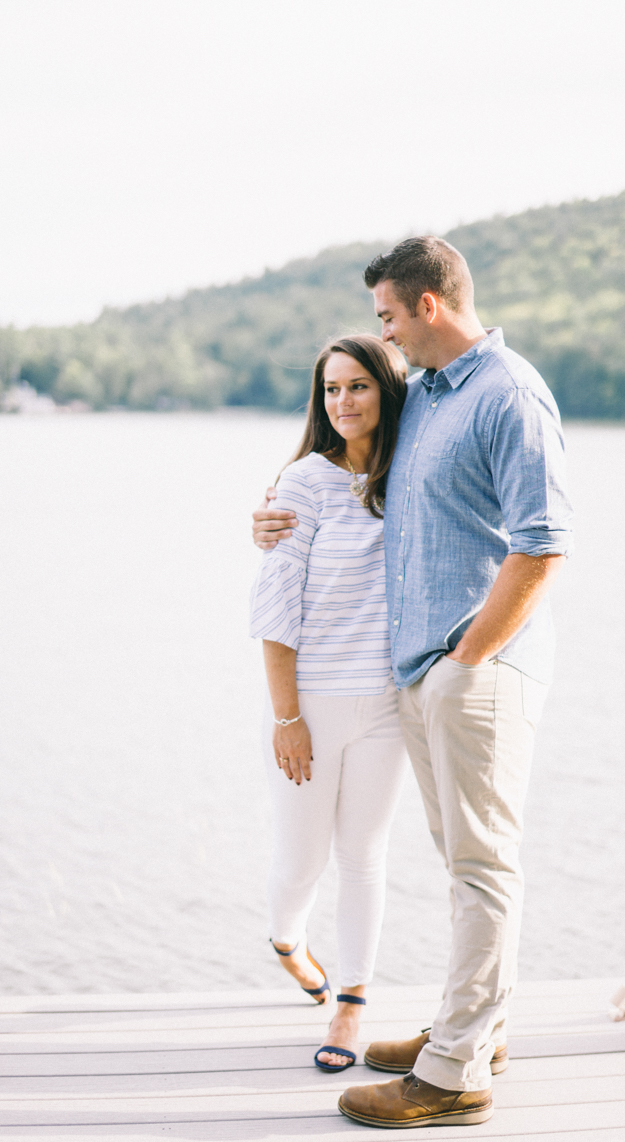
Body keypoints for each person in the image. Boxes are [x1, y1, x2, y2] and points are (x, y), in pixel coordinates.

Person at [252, 236, 574, 1127]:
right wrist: (275, 520)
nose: (383, 337)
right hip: (423, 675)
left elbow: (542, 545)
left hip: (477, 673)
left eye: (390, 317)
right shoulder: (431, 394)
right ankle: (474, 1029)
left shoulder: (508, 394)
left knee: (481, 870)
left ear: (428, 307)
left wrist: (464, 664)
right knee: (463, 866)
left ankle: (454, 1075)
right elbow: (354, 496)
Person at [250, 333, 409, 1072]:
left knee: (364, 858)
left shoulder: (410, 476)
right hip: (308, 704)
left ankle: (350, 1004)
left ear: (387, 390)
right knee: (300, 864)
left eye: (359, 387)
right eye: (331, 390)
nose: (343, 403)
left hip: (384, 705)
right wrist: (288, 718)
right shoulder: (302, 484)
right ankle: (286, 937)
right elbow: (276, 611)